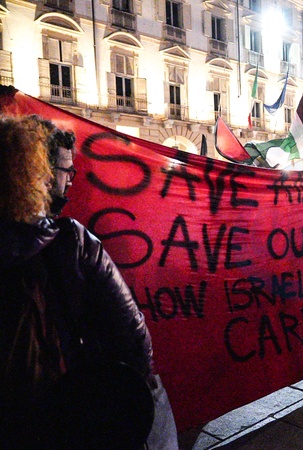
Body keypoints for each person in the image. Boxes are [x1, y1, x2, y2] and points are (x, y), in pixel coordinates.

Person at [0, 115, 178, 449]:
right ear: (39, 173)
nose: (71, 181)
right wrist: (138, 397)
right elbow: (131, 334)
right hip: (67, 412)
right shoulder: (71, 241)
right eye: (66, 171)